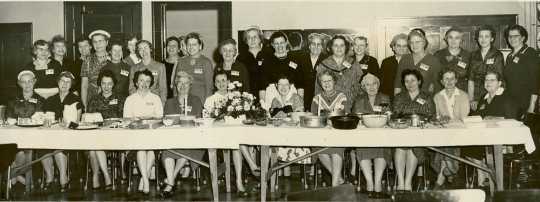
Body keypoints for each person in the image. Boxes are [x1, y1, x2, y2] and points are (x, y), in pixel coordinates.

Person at [464, 71, 516, 190]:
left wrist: (492, 118)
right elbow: (477, 115)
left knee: (476, 147)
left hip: (501, 137)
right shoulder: (484, 97)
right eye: (486, 80)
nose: (488, 83)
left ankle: (487, 178)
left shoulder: (506, 97)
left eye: (492, 80)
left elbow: (511, 118)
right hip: (484, 135)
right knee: (467, 146)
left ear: (499, 83)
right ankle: (485, 177)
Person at [160, 71, 204, 198]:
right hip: (174, 138)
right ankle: (171, 181)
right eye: (180, 83)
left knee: (185, 150)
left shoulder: (195, 100)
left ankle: (170, 182)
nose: (183, 86)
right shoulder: (169, 102)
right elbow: (167, 121)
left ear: (190, 85)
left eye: (186, 83)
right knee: (167, 152)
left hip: (193, 140)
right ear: (175, 85)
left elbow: (199, 120)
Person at [392, 69, 435, 192]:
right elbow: (395, 114)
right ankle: (400, 181)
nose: (410, 84)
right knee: (401, 147)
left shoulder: (426, 97)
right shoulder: (399, 97)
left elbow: (431, 115)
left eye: (413, 80)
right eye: (406, 81)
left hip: (420, 134)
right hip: (402, 132)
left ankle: (408, 181)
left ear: (419, 81)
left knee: (412, 147)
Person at [123, 69, 163, 194]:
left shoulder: (155, 98)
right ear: (135, 82)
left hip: (151, 136)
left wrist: (146, 119)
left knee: (150, 149)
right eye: (141, 80)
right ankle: (146, 180)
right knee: (141, 148)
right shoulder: (130, 99)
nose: (144, 84)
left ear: (151, 83)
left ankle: (143, 179)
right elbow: (126, 119)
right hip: (135, 137)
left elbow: (160, 116)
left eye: (147, 81)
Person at [351, 73, 391, 199]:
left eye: (374, 83)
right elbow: (355, 117)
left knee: (383, 147)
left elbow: (389, 116)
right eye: (367, 84)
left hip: (382, 135)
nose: (371, 87)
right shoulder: (359, 100)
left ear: (378, 85)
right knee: (362, 147)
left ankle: (378, 184)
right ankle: (369, 183)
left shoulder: (385, 98)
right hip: (365, 135)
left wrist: (389, 115)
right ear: (363, 87)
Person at [43, 71, 83, 192]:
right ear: (58, 82)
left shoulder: (76, 100)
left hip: (69, 135)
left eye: (68, 82)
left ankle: (63, 177)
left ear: (71, 85)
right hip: (51, 134)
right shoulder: (50, 100)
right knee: (42, 146)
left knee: (58, 148)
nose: (64, 84)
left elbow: (77, 123)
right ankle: (49, 177)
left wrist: (67, 124)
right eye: (62, 81)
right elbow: (45, 119)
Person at [431, 69, 470, 189]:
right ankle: (452, 171)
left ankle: (441, 178)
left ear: (456, 80)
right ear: (442, 81)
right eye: (446, 79)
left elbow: (464, 117)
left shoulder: (463, 95)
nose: (449, 81)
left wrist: (448, 121)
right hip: (443, 132)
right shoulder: (437, 96)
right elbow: (437, 117)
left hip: (460, 132)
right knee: (445, 142)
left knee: (446, 144)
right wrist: (440, 120)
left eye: (452, 78)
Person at [6, 71, 44, 187]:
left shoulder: (40, 100)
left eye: (30, 81)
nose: (27, 84)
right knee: (17, 152)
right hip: (15, 135)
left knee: (22, 154)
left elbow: (38, 118)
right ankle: (18, 178)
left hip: (34, 136)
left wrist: (21, 119)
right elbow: (10, 119)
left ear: (34, 82)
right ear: (19, 83)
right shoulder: (13, 100)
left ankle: (10, 177)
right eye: (24, 82)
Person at [311, 70, 349, 187]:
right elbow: (314, 118)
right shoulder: (316, 99)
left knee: (336, 149)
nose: (326, 83)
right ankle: (339, 180)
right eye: (323, 81)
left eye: (329, 80)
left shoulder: (341, 96)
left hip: (338, 133)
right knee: (319, 149)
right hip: (322, 134)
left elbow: (346, 114)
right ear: (320, 83)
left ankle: (334, 185)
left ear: (334, 81)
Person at [86, 70, 123, 190]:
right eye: (103, 83)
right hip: (96, 134)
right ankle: (103, 175)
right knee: (93, 148)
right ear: (100, 84)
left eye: (109, 83)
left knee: (94, 147)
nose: (106, 87)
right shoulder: (93, 100)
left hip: (115, 135)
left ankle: (99, 176)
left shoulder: (120, 98)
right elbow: (88, 119)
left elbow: (124, 119)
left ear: (113, 84)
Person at [314, 35, 363, 109]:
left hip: (352, 106)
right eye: (335, 45)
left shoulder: (354, 63)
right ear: (331, 47)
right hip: (329, 106)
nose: (339, 48)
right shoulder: (324, 65)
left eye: (342, 45)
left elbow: (360, 85)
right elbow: (318, 89)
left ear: (346, 47)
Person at [503, 25, 539, 122]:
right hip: (512, 103)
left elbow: (535, 81)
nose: (512, 39)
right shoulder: (509, 56)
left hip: (526, 102)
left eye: (516, 36)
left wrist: (531, 106)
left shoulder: (530, 53)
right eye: (510, 36)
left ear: (523, 37)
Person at [259, 31, 304, 104]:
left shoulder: (294, 59)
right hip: (272, 94)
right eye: (276, 43)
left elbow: (300, 84)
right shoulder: (267, 61)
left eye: (282, 43)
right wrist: (262, 104)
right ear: (272, 45)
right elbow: (262, 86)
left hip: (291, 94)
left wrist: (300, 102)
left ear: (286, 43)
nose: (279, 46)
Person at [394, 28, 442, 95]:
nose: (414, 45)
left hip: (425, 101)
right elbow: (398, 84)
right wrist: (397, 102)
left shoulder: (433, 61)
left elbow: (438, 87)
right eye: (412, 42)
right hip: (405, 100)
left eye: (417, 42)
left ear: (424, 43)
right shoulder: (405, 59)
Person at [468, 25, 504, 112]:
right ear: (477, 38)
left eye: (486, 36)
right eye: (481, 36)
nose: (483, 39)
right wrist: (471, 99)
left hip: (493, 94)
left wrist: (492, 97)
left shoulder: (497, 55)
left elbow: (499, 79)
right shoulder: (473, 55)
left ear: (492, 39)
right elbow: (470, 79)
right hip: (476, 96)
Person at [175, 32, 214, 101]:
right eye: (189, 44)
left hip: (201, 101)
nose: (191, 47)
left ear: (200, 46)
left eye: (194, 44)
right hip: (183, 100)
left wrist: (207, 106)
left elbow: (209, 88)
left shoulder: (206, 62)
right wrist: (175, 101)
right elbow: (176, 84)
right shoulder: (181, 62)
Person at [296, 33, 327, 110]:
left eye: (318, 44)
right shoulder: (301, 59)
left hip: (322, 99)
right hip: (305, 98)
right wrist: (301, 104)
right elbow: (300, 84)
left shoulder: (326, 60)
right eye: (313, 44)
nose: (316, 47)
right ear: (309, 46)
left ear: (322, 47)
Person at [434, 27, 470, 92]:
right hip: (442, 92)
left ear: (461, 40)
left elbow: (471, 78)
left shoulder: (467, 55)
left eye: (457, 38)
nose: (453, 41)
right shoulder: (438, 55)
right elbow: (435, 78)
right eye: (450, 37)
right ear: (446, 39)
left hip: (461, 92)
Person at [81, 30, 111, 108]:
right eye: (95, 42)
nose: (98, 44)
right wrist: (84, 106)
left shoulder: (113, 58)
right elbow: (84, 86)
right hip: (91, 101)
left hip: (111, 102)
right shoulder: (87, 60)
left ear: (106, 42)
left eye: (100, 41)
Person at [237, 26, 267, 97]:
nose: (252, 40)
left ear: (260, 39)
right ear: (246, 41)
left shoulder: (268, 55)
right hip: (248, 95)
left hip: (267, 95)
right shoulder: (241, 58)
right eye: (249, 38)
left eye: (255, 37)